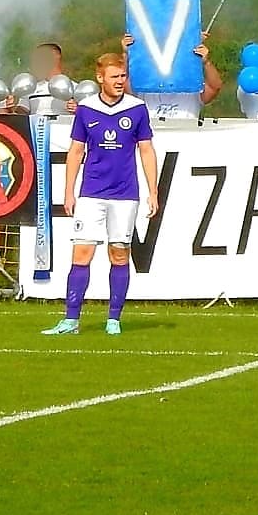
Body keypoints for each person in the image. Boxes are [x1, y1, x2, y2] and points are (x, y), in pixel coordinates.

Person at [42, 52, 159, 337]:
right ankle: (71, 320)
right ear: (100, 78)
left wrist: (153, 191)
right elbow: (76, 151)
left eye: (123, 76)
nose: (120, 82)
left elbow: (146, 149)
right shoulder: (86, 109)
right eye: (114, 77)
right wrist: (68, 191)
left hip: (125, 194)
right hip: (92, 192)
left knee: (119, 254)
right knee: (82, 253)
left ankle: (114, 319)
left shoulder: (137, 109)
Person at [121, 32, 222, 125]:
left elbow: (214, 87)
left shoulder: (192, 90)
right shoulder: (143, 89)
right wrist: (127, 54)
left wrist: (205, 62)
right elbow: (123, 84)